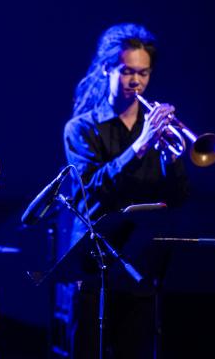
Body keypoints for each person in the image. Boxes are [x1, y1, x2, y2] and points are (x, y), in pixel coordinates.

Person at [62, 23, 189, 358]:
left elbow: (177, 198)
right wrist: (142, 145)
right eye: (127, 71)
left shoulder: (156, 132)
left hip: (141, 261)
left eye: (143, 73)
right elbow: (93, 189)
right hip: (95, 264)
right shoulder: (81, 128)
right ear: (107, 68)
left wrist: (171, 161)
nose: (136, 82)